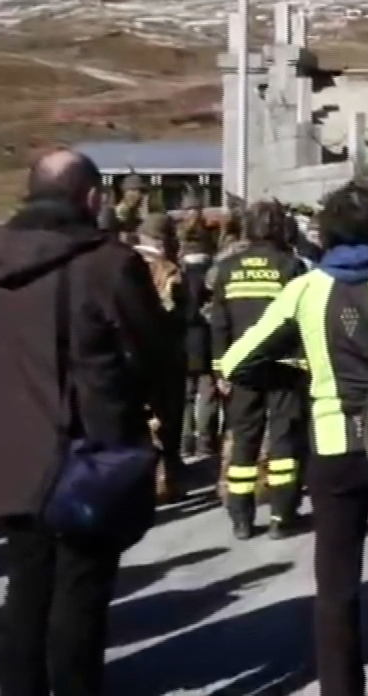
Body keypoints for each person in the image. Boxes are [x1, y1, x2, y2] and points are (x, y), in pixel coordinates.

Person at [216, 182, 368, 696]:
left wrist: (299, 373)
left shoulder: (306, 289)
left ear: (325, 230)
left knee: (335, 588)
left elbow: (238, 361)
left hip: (333, 448)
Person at [0, 149, 168, 696]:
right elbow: (157, 353)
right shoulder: (108, 263)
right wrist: (154, 419)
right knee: (81, 591)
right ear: (93, 198)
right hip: (87, 453)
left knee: (26, 586)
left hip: (7, 452)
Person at [205, 201, 307, 539]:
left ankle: (241, 519)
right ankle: (282, 515)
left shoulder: (228, 268)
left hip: (241, 368)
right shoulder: (291, 266)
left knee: (244, 442)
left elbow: (219, 323)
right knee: (283, 441)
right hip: (284, 367)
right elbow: (301, 319)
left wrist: (220, 370)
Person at [131, 212, 190, 502]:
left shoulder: (124, 263)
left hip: (132, 352)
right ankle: (166, 478)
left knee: (140, 417)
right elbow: (179, 312)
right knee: (167, 418)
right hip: (166, 354)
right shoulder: (169, 271)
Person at [177, 215, 220, 462]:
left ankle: (184, 442)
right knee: (207, 393)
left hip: (182, 340)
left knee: (186, 395)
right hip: (209, 339)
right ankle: (205, 442)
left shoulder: (176, 273)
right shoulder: (213, 274)